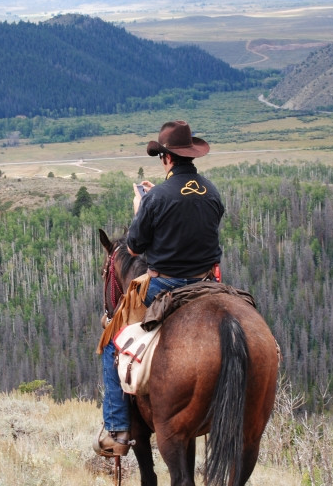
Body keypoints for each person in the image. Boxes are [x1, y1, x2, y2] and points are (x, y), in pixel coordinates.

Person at [95, 120, 225, 457]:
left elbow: (135, 248)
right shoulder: (212, 192)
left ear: (166, 157)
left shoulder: (158, 197)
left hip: (165, 285)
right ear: (190, 156)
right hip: (206, 284)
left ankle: (117, 428)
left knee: (113, 340)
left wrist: (142, 208)